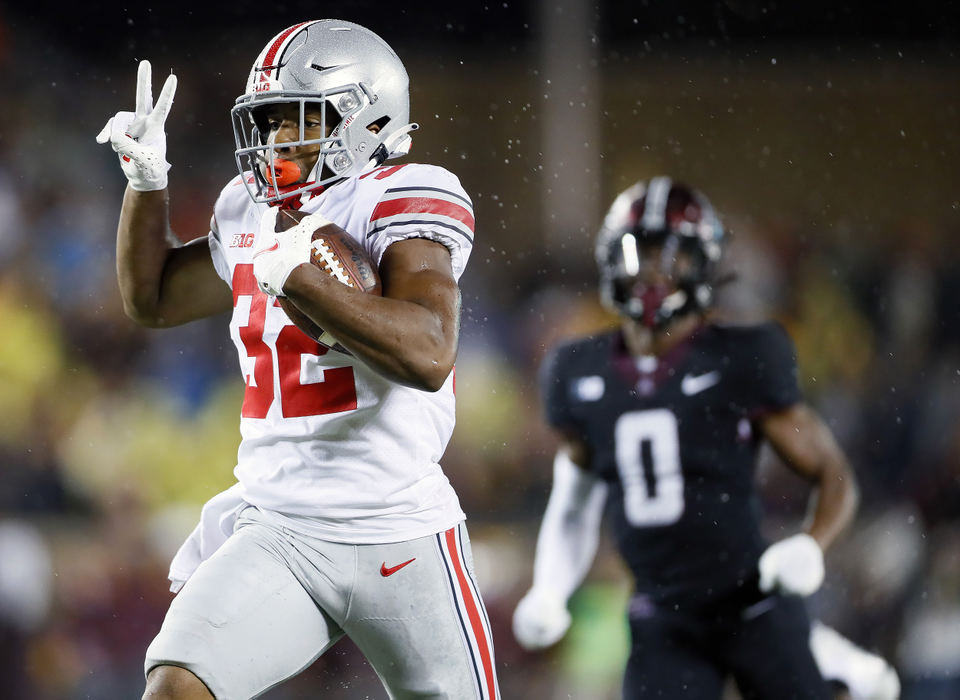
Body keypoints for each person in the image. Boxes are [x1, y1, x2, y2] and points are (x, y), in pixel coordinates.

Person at [96, 19, 499, 700]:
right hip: (279, 523)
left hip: (395, 528)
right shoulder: (245, 208)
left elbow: (429, 352)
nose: (276, 140)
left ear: (366, 119)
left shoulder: (397, 195)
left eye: (297, 119)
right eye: (269, 121)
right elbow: (154, 298)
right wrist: (147, 180)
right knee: (176, 686)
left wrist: (305, 281)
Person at [511, 177, 898, 699]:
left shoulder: (743, 355)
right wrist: (550, 587)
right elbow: (575, 501)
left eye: (672, 257)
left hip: (751, 601)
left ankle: (830, 660)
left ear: (705, 264)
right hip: (660, 612)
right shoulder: (577, 368)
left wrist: (812, 544)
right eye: (641, 254)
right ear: (611, 259)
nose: (654, 272)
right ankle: (828, 655)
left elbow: (833, 473)